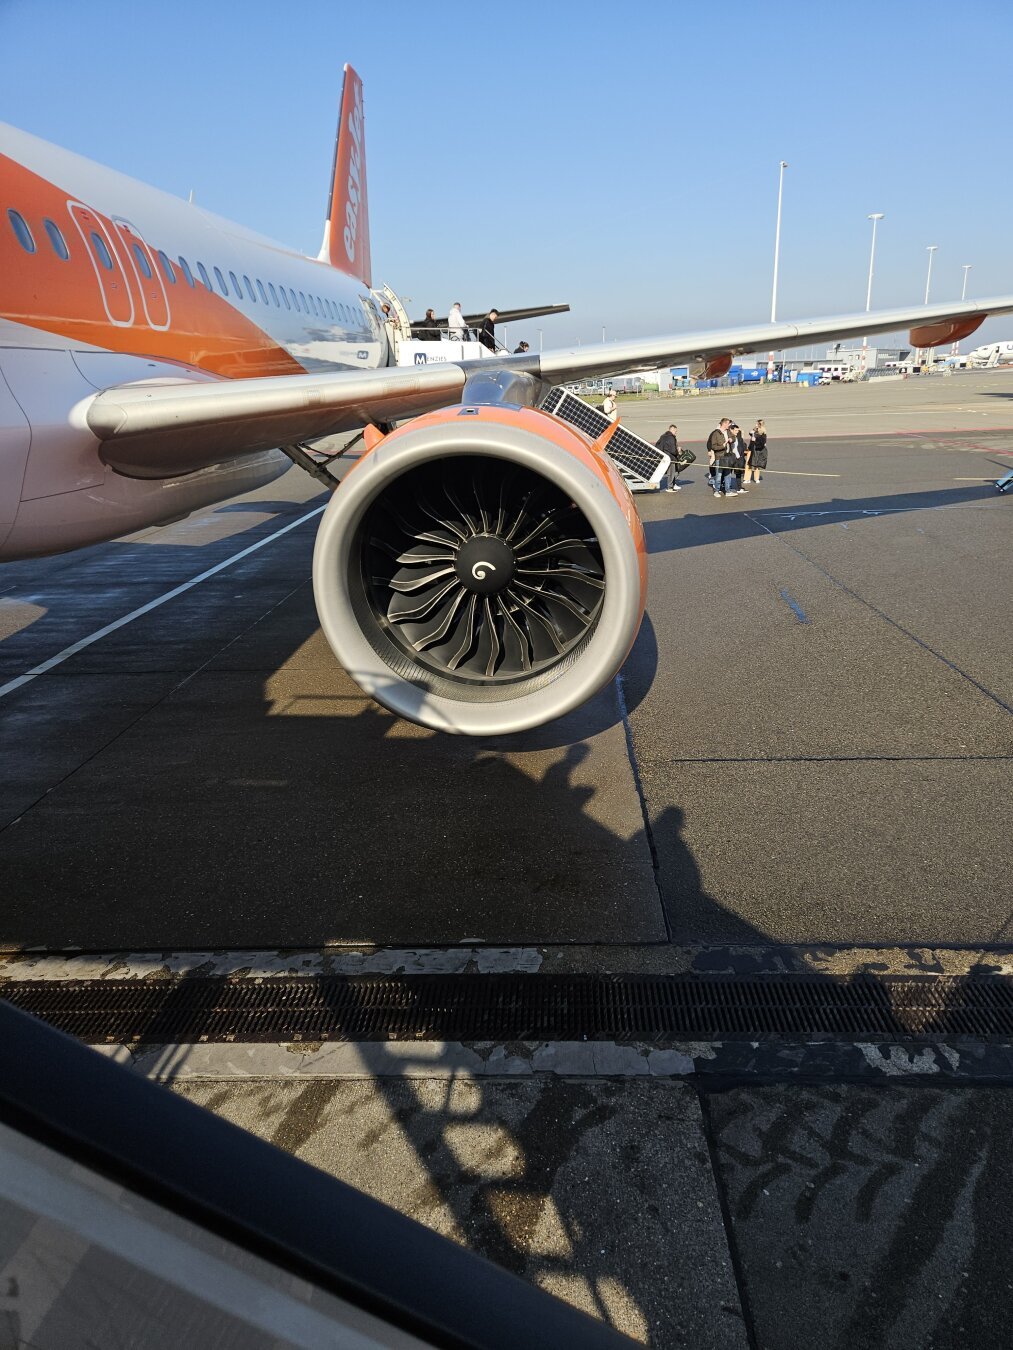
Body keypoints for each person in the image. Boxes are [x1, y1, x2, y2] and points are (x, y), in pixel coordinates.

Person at [655, 423, 687, 491]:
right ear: (672, 430)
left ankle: (672, 485)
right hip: (671, 458)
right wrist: (678, 451)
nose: (676, 433)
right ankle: (670, 487)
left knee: (671, 472)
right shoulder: (671, 438)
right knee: (672, 473)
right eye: (675, 431)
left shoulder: (663, 436)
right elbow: (673, 450)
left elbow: (657, 445)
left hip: (664, 457)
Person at [707, 417, 733, 497]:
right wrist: (722, 446)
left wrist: (732, 439)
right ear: (724, 424)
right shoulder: (715, 433)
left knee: (728, 475)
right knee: (719, 475)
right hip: (719, 457)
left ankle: (728, 491)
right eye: (728, 423)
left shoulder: (728, 431)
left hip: (728, 456)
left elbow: (734, 437)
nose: (729, 425)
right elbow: (713, 446)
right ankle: (716, 491)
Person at [728, 423, 749, 492]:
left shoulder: (738, 437)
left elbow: (742, 446)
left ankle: (739, 488)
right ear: (731, 430)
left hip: (739, 458)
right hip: (732, 458)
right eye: (736, 430)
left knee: (738, 473)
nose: (737, 431)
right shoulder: (729, 437)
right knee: (728, 473)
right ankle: (727, 487)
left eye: (738, 430)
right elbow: (732, 449)